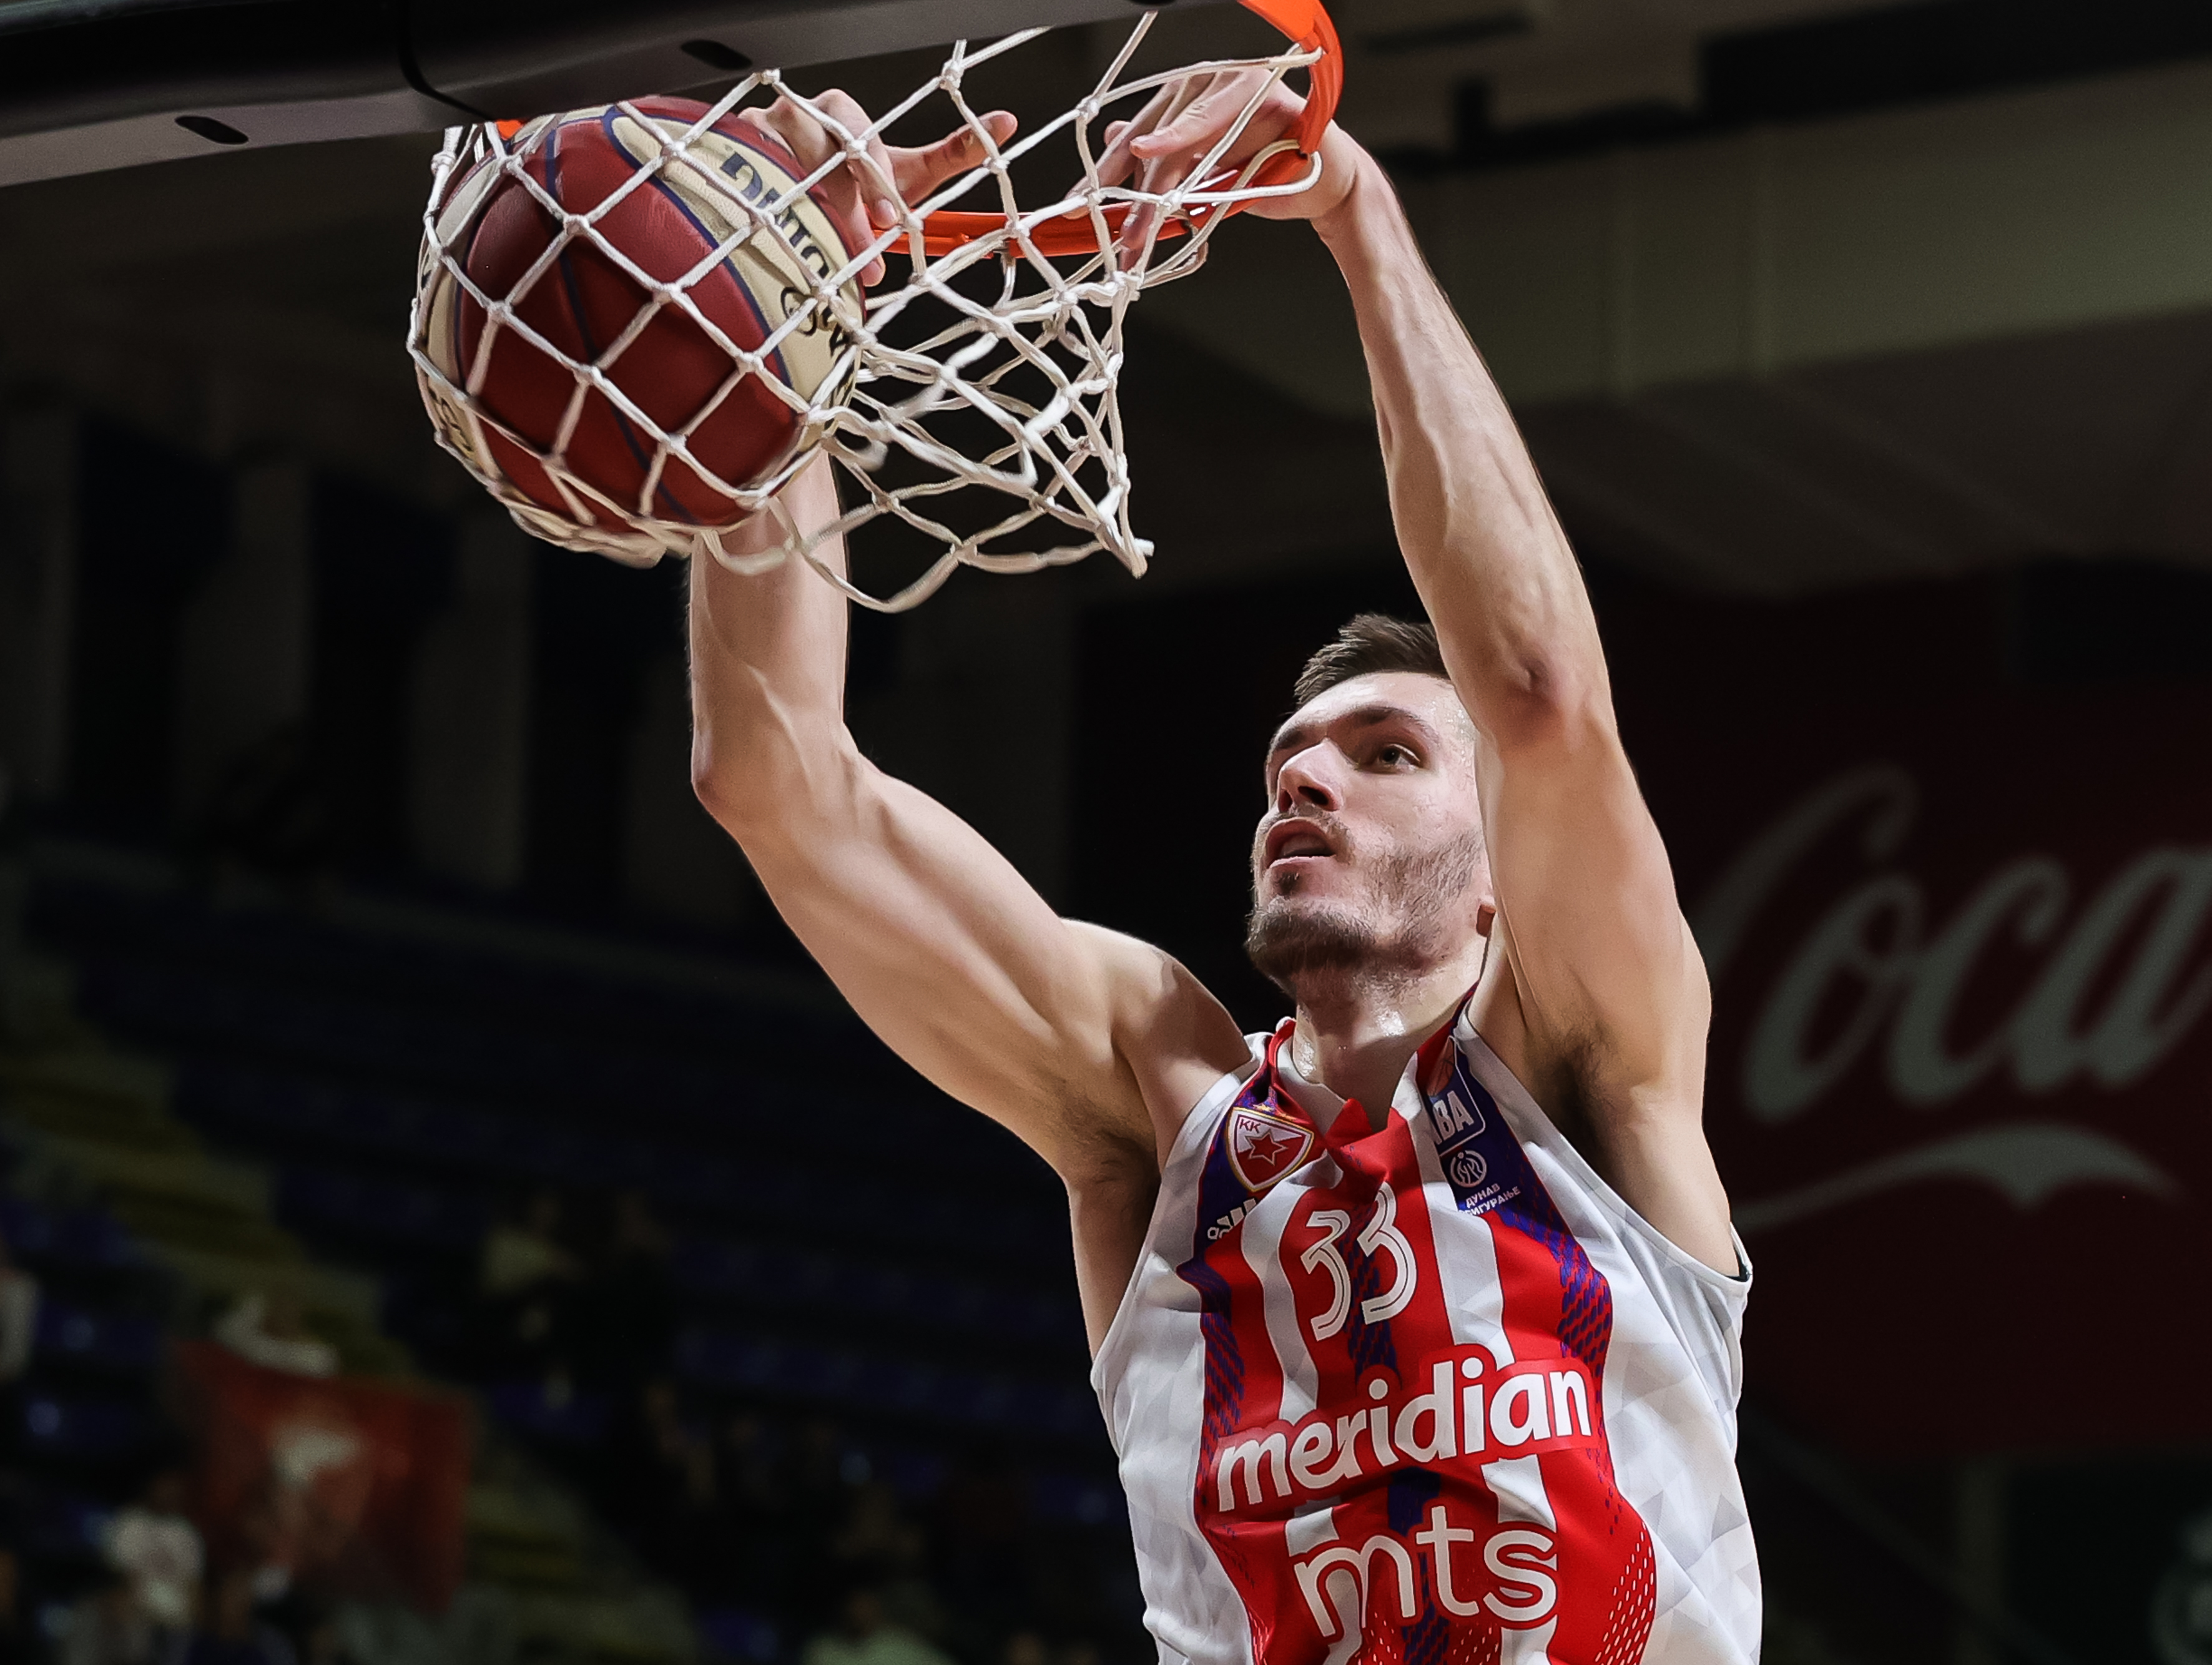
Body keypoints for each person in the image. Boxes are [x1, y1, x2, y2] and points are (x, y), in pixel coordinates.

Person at [689, 72, 1757, 1665]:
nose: (1306, 775)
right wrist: (774, 299)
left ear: (1496, 879)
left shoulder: (1589, 1069)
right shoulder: (1158, 1091)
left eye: (1385, 753)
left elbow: (1535, 694)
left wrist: (1348, 205)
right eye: (1286, 762)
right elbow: (777, 780)